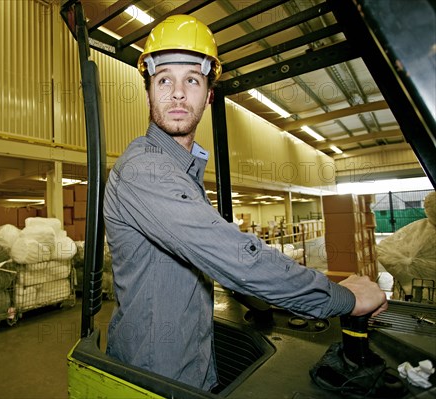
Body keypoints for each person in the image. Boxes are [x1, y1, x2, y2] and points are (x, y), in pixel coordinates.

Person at [102, 14, 387, 392]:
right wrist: (342, 298)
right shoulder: (145, 171)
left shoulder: (182, 171)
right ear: (149, 90)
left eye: (192, 79)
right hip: (156, 376)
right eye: (164, 79)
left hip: (192, 365)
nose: (177, 93)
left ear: (209, 94)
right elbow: (235, 257)